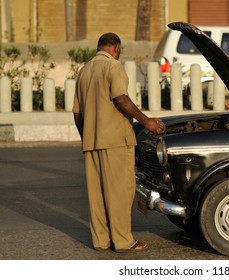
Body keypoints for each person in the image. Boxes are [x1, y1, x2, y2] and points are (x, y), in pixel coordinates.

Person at [73, 32, 163, 253]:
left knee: (97, 195)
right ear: (115, 49)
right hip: (116, 141)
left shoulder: (84, 71)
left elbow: (77, 113)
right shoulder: (112, 67)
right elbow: (120, 98)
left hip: (92, 141)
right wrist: (146, 121)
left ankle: (101, 241)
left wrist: (87, 137)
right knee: (120, 192)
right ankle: (123, 241)